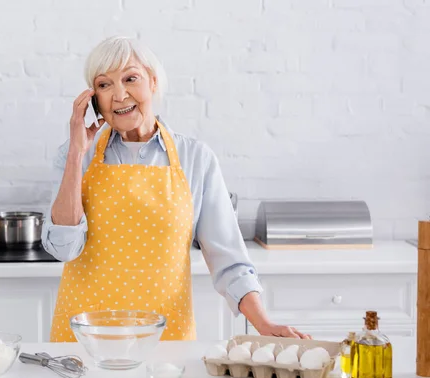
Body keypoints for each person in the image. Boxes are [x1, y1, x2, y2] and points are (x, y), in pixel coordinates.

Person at [42, 36, 311, 342]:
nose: (119, 95)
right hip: (84, 343)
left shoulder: (195, 158)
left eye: (131, 78)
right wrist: (77, 154)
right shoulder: (75, 156)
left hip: (164, 343)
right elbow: (62, 248)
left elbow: (228, 258)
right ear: (93, 99)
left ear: (153, 82)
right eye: (104, 85)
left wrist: (263, 323)